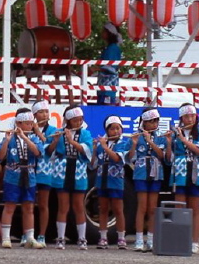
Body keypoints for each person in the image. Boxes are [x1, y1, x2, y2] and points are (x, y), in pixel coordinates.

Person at [0, 108, 44, 249]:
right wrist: (6, 141)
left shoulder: (33, 137)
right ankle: (5, 237)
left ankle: (30, 237)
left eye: (31, 123)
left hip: (29, 175)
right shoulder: (10, 138)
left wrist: (25, 137)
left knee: (29, 207)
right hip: (12, 175)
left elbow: (37, 152)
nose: (30, 126)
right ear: (19, 123)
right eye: (27, 123)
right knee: (10, 205)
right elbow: (0, 157)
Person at [48, 105, 93, 250]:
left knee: (79, 206)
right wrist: (55, 141)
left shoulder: (85, 134)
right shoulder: (59, 133)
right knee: (63, 206)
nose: (78, 123)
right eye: (74, 120)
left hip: (78, 171)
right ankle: (60, 238)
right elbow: (50, 153)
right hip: (62, 170)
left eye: (80, 120)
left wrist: (72, 141)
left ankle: (82, 238)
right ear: (67, 121)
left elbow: (87, 151)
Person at [169, 104, 199, 254]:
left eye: (192, 116)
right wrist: (169, 142)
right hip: (180, 171)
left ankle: (194, 242)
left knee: (195, 208)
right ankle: (178, 239)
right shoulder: (175, 133)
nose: (190, 119)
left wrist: (183, 140)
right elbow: (170, 157)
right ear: (181, 118)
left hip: (196, 171)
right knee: (179, 206)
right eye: (186, 116)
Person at [127, 107, 169, 252]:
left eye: (156, 121)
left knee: (152, 208)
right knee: (142, 207)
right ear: (143, 122)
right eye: (150, 121)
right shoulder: (136, 136)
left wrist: (150, 142)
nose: (154, 124)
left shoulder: (161, 137)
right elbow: (129, 158)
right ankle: (139, 239)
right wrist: (133, 144)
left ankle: (150, 239)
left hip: (156, 172)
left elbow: (162, 155)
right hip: (140, 172)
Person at [90, 115, 128, 250]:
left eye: (118, 128)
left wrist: (105, 147)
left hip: (116, 180)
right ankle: (103, 237)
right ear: (107, 130)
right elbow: (93, 165)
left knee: (118, 209)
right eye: (113, 129)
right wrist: (95, 148)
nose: (116, 131)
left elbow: (118, 159)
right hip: (102, 180)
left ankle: (121, 237)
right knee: (103, 208)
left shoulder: (123, 143)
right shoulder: (101, 145)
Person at [31, 100, 58, 248]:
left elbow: (49, 150)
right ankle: (27, 234)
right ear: (34, 114)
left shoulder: (53, 130)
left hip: (45, 170)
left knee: (43, 204)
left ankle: (42, 235)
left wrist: (38, 133)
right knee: (27, 204)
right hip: (28, 169)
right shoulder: (28, 128)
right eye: (41, 112)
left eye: (46, 111)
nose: (44, 114)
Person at [95, 22, 123, 105]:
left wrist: (97, 68)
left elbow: (112, 68)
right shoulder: (110, 48)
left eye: (104, 31)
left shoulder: (112, 48)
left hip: (108, 87)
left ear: (109, 33)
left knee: (105, 111)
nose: (102, 33)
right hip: (105, 86)